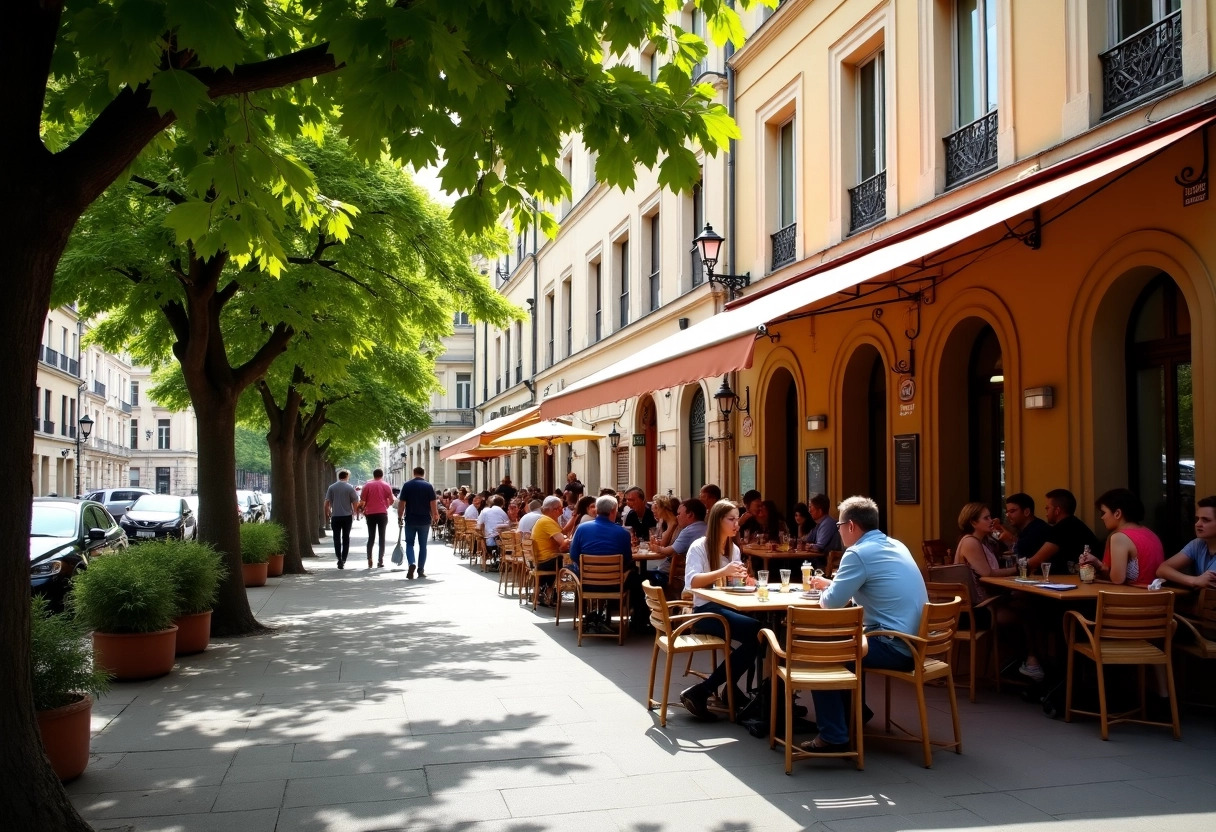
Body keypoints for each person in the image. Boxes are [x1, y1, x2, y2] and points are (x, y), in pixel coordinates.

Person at [804, 496, 928, 752]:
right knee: (845, 647)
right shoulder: (895, 544)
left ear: (851, 526)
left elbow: (830, 605)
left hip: (894, 645)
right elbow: (875, 585)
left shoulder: (858, 553)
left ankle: (834, 735)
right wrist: (833, 585)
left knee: (822, 654)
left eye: (838, 526)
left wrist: (829, 591)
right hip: (916, 643)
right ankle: (855, 715)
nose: (838, 531)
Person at [680, 499, 761, 720]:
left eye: (737, 519)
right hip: (703, 612)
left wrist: (745, 581)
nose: (737, 524)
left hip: (724, 609)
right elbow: (692, 582)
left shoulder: (732, 548)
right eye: (732, 519)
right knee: (758, 633)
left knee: (760, 632)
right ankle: (710, 690)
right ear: (718, 520)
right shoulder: (699, 547)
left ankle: (718, 690)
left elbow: (730, 585)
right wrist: (723, 570)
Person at [568, 495, 640, 630]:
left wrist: (588, 569)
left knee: (572, 568)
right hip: (614, 585)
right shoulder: (623, 533)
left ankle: (583, 616)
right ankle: (637, 621)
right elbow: (627, 559)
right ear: (613, 511)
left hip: (587, 583)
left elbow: (573, 554)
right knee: (637, 577)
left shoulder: (582, 529)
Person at [1079, 488, 1165, 587]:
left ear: (1117, 513)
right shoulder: (1150, 533)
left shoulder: (1119, 537)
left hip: (1133, 598)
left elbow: (1117, 580)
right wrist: (1097, 563)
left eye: (1103, 513)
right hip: (1159, 597)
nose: (1102, 517)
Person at [954, 503, 1017, 604]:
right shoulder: (970, 542)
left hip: (989, 598)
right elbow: (988, 573)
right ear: (973, 522)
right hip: (981, 605)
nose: (991, 521)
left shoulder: (984, 541)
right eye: (986, 518)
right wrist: (1018, 569)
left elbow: (1009, 548)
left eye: (990, 517)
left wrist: (1003, 533)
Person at [1026, 488, 1100, 574]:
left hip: (1076, 580)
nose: (1046, 513)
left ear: (1057, 511)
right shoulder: (1075, 524)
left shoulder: (1062, 528)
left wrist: (1011, 570)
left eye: (1047, 508)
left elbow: (1035, 561)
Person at [1157, 495, 1216, 588]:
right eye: (1197, 519)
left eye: (1206, 520)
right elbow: (1162, 569)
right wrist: (1194, 580)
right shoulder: (1198, 543)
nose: (1198, 524)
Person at [651, 498, 708, 586]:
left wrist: (658, 548)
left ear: (690, 515)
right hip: (704, 571)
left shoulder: (688, 531)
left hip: (684, 575)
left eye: (679, 514)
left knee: (646, 574)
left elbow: (671, 551)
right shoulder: (707, 528)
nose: (677, 517)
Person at [396, 467, 438, 579]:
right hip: (424, 520)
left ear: (413, 473)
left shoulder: (407, 485)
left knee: (409, 544)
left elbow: (402, 503)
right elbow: (433, 503)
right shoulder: (429, 486)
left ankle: (411, 563)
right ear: (423, 474)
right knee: (423, 545)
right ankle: (421, 570)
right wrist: (435, 515)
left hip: (410, 519)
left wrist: (400, 516)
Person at [530, 496, 570, 604]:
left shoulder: (543, 520)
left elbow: (562, 534)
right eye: (561, 508)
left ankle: (546, 591)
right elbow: (563, 542)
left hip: (540, 559)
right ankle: (552, 592)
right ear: (555, 509)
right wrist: (569, 540)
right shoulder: (548, 521)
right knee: (571, 562)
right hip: (547, 560)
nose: (563, 510)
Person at [324, 469, 360, 569]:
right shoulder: (350, 488)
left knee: (336, 537)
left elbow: (326, 503)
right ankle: (344, 559)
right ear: (347, 476)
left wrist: (327, 514)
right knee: (346, 538)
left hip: (335, 516)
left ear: (339, 476)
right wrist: (356, 513)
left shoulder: (332, 487)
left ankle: (339, 558)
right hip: (347, 517)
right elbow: (355, 502)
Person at [360, 468, 396, 569]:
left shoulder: (367, 485)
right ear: (382, 475)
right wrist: (386, 505)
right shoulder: (386, 485)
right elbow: (392, 500)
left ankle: (369, 559)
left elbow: (363, 500)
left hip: (370, 513)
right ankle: (380, 560)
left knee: (371, 537)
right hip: (382, 513)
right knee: (382, 537)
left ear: (373, 475)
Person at [1003, 492, 1051, 561]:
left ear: (1026, 512)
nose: (1008, 516)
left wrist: (1011, 539)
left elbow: (1023, 558)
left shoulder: (1038, 530)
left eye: (1012, 511)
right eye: (1007, 512)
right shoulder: (1024, 530)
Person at [477, 494, 511, 560]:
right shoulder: (502, 512)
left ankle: (494, 557)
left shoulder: (484, 511)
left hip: (489, 541)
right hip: (503, 542)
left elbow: (478, 526)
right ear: (502, 504)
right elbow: (508, 525)